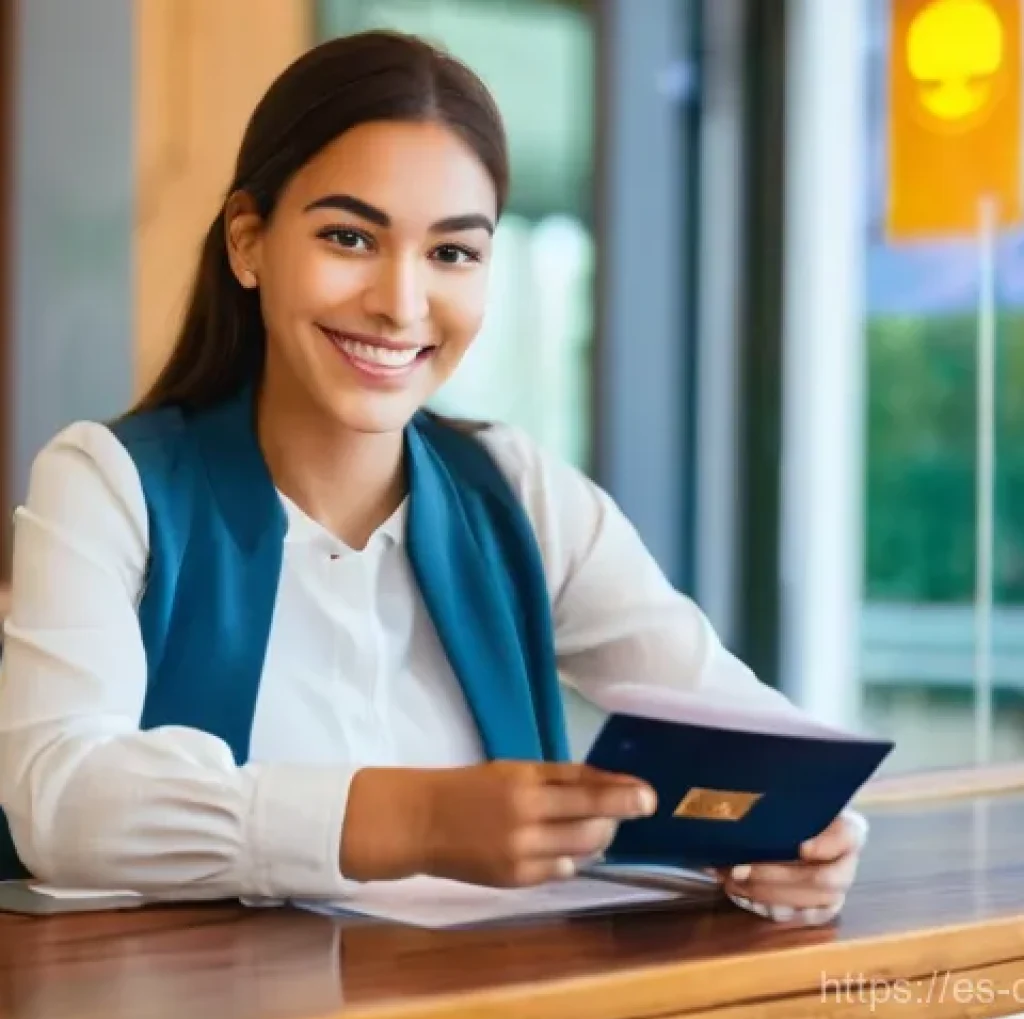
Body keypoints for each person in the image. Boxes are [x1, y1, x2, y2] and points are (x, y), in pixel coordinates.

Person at [0, 30, 865, 923]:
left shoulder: (519, 492)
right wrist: (414, 819)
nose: (401, 304)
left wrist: (812, 835)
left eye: (452, 253)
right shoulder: (106, 484)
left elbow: (760, 746)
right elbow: (60, 798)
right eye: (349, 237)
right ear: (249, 243)